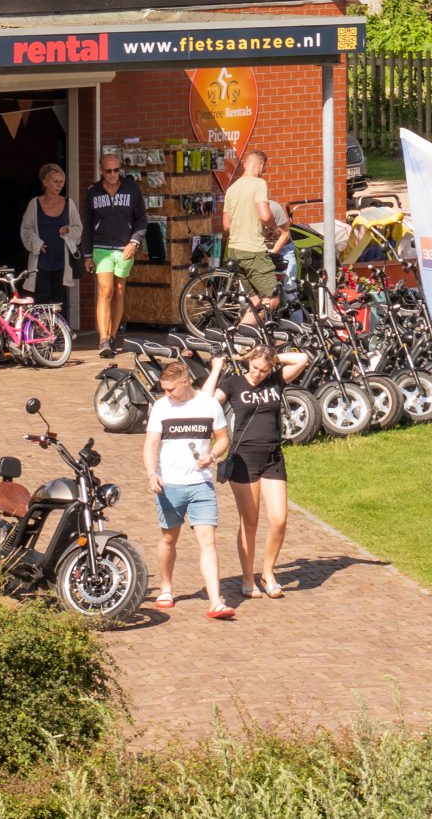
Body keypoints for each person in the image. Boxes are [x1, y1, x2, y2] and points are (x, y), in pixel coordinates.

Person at [217, 334, 311, 598]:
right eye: (254, 367)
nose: (257, 374)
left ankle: (267, 572)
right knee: (250, 521)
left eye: (263, 369)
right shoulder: (234, 382)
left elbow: (302, 358)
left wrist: (272, 357)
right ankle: (247, 578)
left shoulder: (276, 380)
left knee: (279, 519)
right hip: (244, 458)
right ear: (247, 362)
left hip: (273, 456)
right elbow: (212, 400)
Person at [144, 356, 234, 618]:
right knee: (169, 539)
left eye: (171, 388)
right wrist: (152, 473)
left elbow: (222, 439)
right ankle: (166, 588)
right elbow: (150, 445)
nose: (167, 393)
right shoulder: (161, 407)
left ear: (186, 381)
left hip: (201, 485)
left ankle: (216, 600)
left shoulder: (208, 405)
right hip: (169, 484)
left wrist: (213, 456)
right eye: (164, 389)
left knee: (208, 542)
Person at [85, 153, 148, 354]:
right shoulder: (92, 192)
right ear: (101, 171)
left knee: (119, 291)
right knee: (106, 290)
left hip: (125, 247)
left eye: (116, 170)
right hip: (101, 247)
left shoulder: (131, 189)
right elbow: (87, 224)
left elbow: (141, 219)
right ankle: (103, 339)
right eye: (109, 171)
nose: (113, 175)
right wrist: (87, 254)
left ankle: (112, 336)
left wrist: (134, 241)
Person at [222, 150, 293, 320]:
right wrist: (271, 227)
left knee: (255, 300)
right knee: (273, 298)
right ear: (261, 166)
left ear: (245, 164)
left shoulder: (231, 189)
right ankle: (242, 333)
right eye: (265, 168)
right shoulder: (259, 184)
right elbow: (265, 215)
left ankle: (242, 343)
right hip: (253, 251)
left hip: (234, 251)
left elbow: (226, 226)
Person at [19, 163, 79, 317]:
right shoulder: (34, 204)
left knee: (60, 300)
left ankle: (60, 336)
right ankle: (42, 334)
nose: (59, 185)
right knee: (42, 299)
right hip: (41, 261)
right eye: (55, 181)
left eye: (61, 182)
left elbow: (78, 228)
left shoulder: (68, 203)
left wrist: (68, 230)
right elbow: (26, 230)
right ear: (45, 182)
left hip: (61, 260)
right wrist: (36, 243)